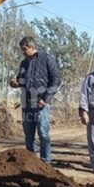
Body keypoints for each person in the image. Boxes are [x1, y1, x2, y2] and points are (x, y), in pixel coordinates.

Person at [10, 36, 61, 164]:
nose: (22, 52)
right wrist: (15, 83)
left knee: (43, 134)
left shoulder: (47, 58)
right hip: (27, 103)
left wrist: (46, 99)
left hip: (41, 104)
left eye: (24, 49)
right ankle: (31, 163)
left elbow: (56, 79)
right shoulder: (24, 63)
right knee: (28, 135)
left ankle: (45, 162)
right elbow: (20, 80)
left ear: (31, 47)